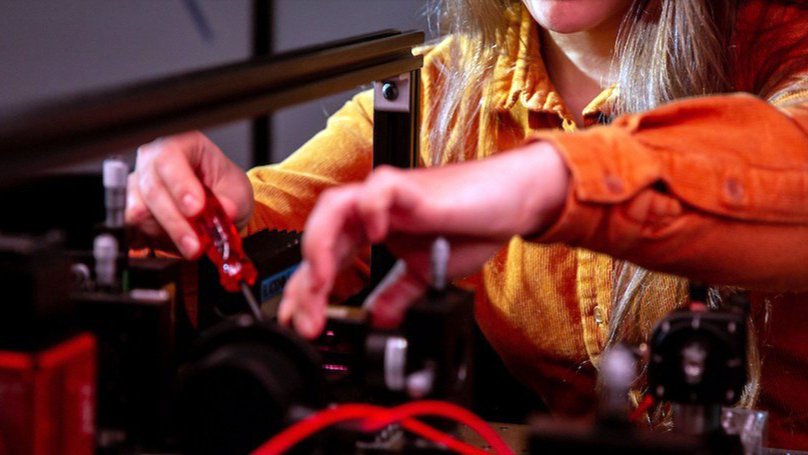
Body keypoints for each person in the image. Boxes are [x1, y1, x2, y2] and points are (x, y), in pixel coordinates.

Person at [126, 0, 808, 448]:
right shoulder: (445, 96)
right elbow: (280, 226)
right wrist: (202, 217)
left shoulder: (781, 45)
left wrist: (554, 179)